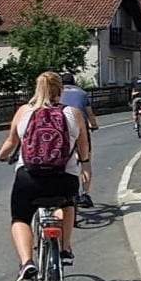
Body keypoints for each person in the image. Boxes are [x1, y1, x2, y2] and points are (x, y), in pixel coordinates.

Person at [0, 71, 91, 281]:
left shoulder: (24, 112)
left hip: (29, 178)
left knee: (20, 218)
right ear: (61, 90)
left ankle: (27, 262)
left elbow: (10, 143)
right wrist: (84, 163)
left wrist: (1, 156)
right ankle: (65, 247)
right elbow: (83, 148)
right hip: (63, 178)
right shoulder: (73, 113)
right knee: (67, 205)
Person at [60, 73, 98, 207]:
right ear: (74, 82)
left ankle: (64, 190)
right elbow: (89, 113)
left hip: (62, 130)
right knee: (85, 160)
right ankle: (86, 194)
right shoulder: (82, 93)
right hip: (80, 127)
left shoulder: (57, 93)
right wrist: (94, 125)